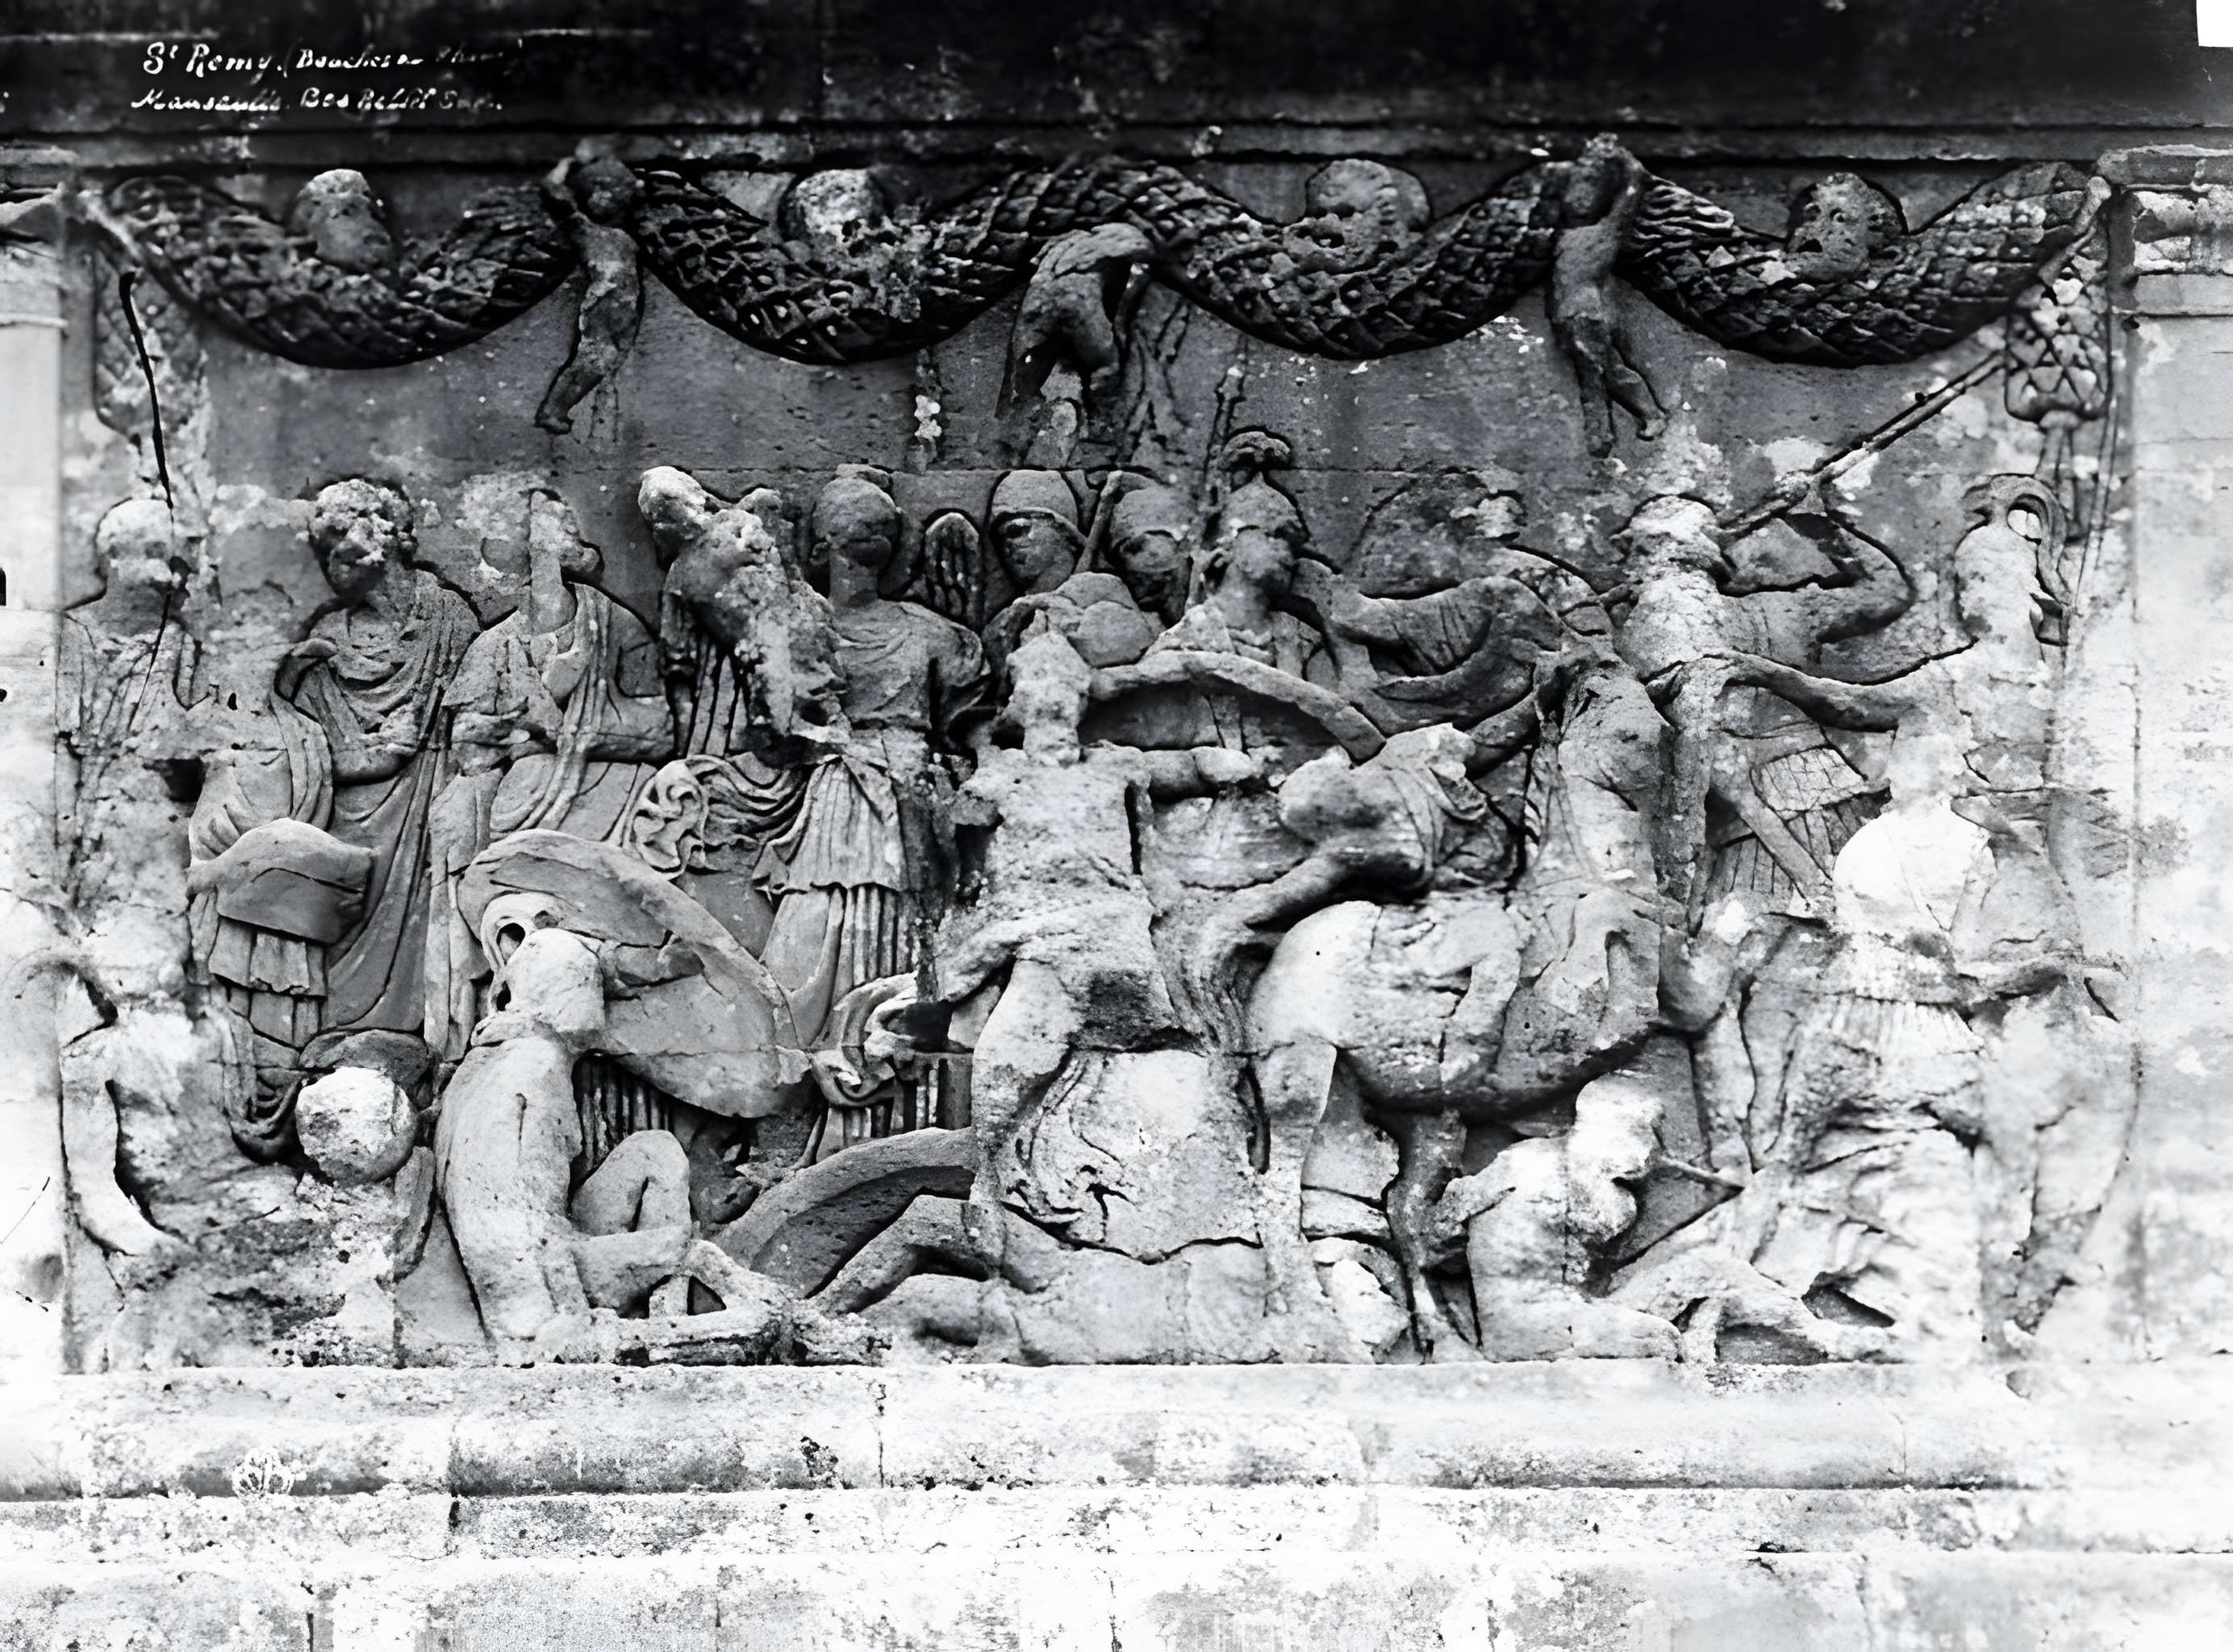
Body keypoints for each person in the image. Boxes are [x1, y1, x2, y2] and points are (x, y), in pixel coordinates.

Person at [753, 472, 991, 1158]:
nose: (872, 534)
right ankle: (790, 1113)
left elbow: (972, 729)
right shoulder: (798, 628)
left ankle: (898, 1117)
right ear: (823, 538)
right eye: (855, 523)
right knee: (808, 943)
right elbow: (769, 731)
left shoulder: (933, 635)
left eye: (882, 524)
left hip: (911, 802)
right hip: (833, 799)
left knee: (905, 941)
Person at [426, 489, 674, 1058]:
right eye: (529, 543)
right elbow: (465, 739)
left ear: (570, 548)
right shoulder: (495, 646)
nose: (540, 554)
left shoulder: (619, 628)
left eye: (549, 538)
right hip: (523, 803)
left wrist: (566, 732)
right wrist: (525, 727)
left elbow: (660, 730)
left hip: (614, 792)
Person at [278, 479, 478, 1039]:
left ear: (379, 532)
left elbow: (475, 731)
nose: (331, 559)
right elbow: (298, 755)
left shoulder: (449, 620)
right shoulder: (324, 639)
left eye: (339, 537)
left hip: (427, 809)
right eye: (323, 548)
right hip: (348, 822)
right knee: (339, 932)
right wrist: (372, 755)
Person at [536, 156, 645, 436]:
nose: (615, 202)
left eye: (620, 196)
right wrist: (565, 165)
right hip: (604, 305)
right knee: (593, 359)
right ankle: (553, 411)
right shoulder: (585, 229)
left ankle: (556, 410)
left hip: (624, 309)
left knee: (603, 360)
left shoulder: (621, 236)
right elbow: (554, 193)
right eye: (607, 194)